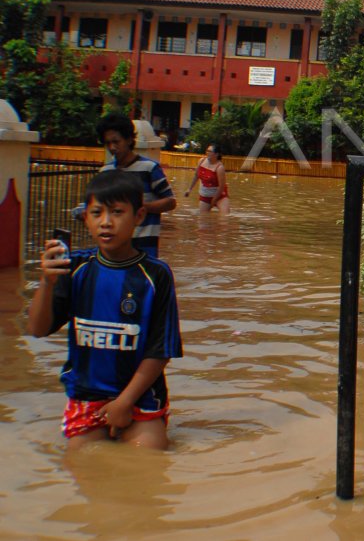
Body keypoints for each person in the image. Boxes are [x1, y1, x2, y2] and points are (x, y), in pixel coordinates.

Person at [29, 170, 184, 450]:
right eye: (97, 212)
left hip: (141, 398)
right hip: (86, 397)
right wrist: (46, 282)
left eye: (117, 212)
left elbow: (160, 350)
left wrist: (124, 402)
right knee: (82, 461)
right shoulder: (74, 269)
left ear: (138, 217)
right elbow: (38, 329)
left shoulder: (156, 275)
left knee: (149, 456)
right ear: (85, 217)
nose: (106, 223)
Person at [97, 113, 177, 256]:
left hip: (145, 249)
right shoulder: (105, 172)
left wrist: (140, 207)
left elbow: (170, 202)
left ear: (128, 140)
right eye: (108, 143)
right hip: (114, 250)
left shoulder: (149, 168)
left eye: (116, 141)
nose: (112, 147)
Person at [183, 144, 231, 214]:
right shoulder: (201, 161)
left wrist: (214, 200)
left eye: (209, 151)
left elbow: (221, 187)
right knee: (203, 219)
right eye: (207, 151)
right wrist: (189, 189)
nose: (207, 153)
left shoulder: (220, 167)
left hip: (220, 195)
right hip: (205, 195)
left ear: (216, 154)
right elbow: (196, 176)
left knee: (225, 218)